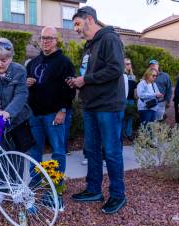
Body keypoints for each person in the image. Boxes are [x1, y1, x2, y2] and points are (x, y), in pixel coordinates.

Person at [67, 6, 127, 214]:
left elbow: (115, 69)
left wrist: (86, 79)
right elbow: (89, 74)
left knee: (110, 152)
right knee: (91, 150)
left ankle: (118, 195)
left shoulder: (109, 39)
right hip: (91, 106)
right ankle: (94, 190)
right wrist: (78, 82)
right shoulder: (89, 46)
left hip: (108, 107)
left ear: (89, 20)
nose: (74, 28)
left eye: (77, 23)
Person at [26, 26, 76, 182]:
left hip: (54, 114)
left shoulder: (64, 62)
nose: (45, 41)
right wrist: (26, 82)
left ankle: (56, 186)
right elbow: (23, 87)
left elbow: (70, 90)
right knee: (35, 151)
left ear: (56, 40)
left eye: (49, 38)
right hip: (34, 114)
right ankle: (35, 182)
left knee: (58, 151)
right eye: (43, 38)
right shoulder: (33, 63)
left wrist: (63, 110)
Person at [0, 38, 33, 152]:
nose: (0, 63)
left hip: (16, 122)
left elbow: (21, 95)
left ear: (10, 58)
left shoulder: (19, 70)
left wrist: (8, 112)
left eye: (4, 60)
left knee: (15, 158)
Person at [123, 58, 137, 141]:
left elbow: (134, 89)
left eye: (129, 64)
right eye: (127, 64)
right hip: (123, 99)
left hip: (131, 99)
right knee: (122, 117)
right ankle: (122, 133)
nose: (129, 65)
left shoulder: (133, 76)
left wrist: (136, 96)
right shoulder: (121, 75)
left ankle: (129, 134)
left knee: (130, 117)